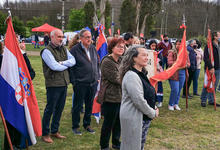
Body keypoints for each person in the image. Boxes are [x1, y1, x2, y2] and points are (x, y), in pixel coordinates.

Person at [119, 45, 159, 150]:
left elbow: (147, 93)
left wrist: (153, 106)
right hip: (134, 117)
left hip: (142, 117)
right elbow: (138, 100)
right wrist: (152, 112)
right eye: (143, 55)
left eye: (147, 55)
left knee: (138, 146)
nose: (147, 57)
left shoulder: (141, 73)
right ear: (134, 58)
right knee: (132, 146)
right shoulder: (131, 76)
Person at [41, 29, 76, 143]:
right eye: (59, 37)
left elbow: (73, 61)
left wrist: (61, 63)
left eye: (62, 36)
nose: (61, 39)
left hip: (64, 83)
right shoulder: (46, 51)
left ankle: (54, 130)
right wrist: (65, 64)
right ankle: (45, 133)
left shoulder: (64, 49)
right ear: (52, 37)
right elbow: (54, 67)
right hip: (53, 84)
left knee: (59, 109)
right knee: (50, 109)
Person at [69, 29, 99, 135]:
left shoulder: (93, 48)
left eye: (90, 37)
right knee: (77, 106)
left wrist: (97, 76)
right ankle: (75, 126)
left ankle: (87, 124)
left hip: (93, 82)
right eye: (87, 37)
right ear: (80, 38)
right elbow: (71, 68)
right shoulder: (74, 50)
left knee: (89, 105)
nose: (89, 39)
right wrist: (74, 82)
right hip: (80, 83)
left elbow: (97, 63)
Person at [99, 38, 125, 150]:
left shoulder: (121, 60)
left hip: (121, 97)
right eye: (118, 46)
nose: (121, 49)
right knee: (108, 124)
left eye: (123, 47)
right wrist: (129, 78)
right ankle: (104, 145)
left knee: (118, 122)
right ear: (112, 47)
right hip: (110, 98)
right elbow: (117, 79)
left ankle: (115, 142)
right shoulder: (107, 62)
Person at [167, 40, 190, 111]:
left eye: (180, 44)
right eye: (177, 44)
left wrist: (186, 64)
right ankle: (171, 104)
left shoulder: (185, 53)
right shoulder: (171, 52)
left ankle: (176, 103)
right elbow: (169, 62)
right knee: (175, 89)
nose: (178, 46)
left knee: (179, 89)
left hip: (182, 73)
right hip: (174, 73)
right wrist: (178, 63)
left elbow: (188, 64)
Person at [201, 31, 220, 107]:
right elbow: (206, 58)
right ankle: (203, 99)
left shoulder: (219, 45)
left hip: (218, 69)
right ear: (215, 37)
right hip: (210, 68)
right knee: (207, 84)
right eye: (219, 35)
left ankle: (211, 100)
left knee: (214, 85)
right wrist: (210, 67)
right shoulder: (209, 46)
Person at [148, 40, 163, 107]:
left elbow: (161, 62)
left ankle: (159, 100)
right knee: (151, 87)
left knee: (159, 86)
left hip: (158, 72)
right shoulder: (147, 53)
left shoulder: (158, 53)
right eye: (152, 46)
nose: (153, 47)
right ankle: (152, 100)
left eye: (155, 46)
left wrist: (158, 61)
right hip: (150, 73)